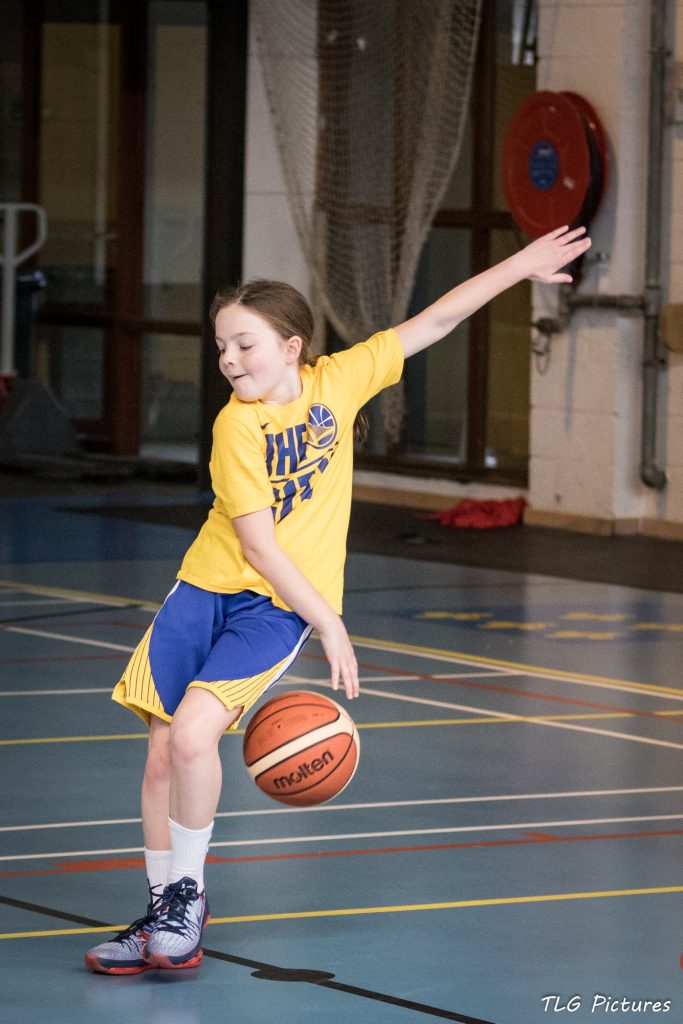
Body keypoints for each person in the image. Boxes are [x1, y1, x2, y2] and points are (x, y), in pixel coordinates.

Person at [85, 224, 591, 974]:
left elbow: (437, 320)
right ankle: (163, 913)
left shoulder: (339, 382)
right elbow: (256, 545)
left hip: (274, 608)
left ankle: (187, 899)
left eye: (245, 344)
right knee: (161, 754)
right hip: (204, 588)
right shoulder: (235, 426)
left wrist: (520, 265)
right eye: (221, 347)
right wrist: (332, 623)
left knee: (193, 737)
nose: (229, 359)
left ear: (292, 346)